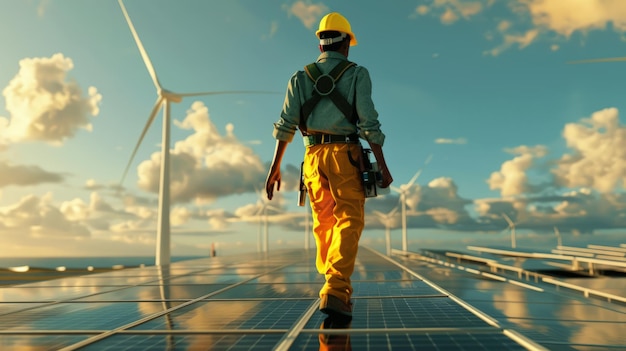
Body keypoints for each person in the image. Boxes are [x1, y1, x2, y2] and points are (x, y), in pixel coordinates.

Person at [265, 12, 393, 322]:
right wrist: (383, 164)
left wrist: (275, 167)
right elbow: (368, 123)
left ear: (321, 45)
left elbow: (286, 125)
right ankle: (336, 290)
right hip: (344, 155)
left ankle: (330, 282)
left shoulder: (299, 77)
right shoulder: (357, 74)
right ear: (346, 43)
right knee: (348, 218)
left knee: (323, 222)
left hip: (312, 159)